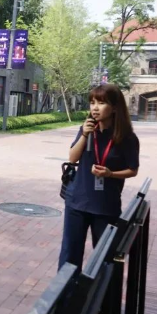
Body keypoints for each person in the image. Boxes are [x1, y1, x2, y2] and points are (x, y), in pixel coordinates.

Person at [58, 84, 140, 270]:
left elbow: (133, 170)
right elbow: (73, 158)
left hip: (105, 205)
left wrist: (110, 174)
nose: (95, 108)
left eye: (101, 103)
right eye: (92, 103)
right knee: (69, 254)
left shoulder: (127, 138)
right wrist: (84, 135)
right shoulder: (87, 130)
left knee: (104, 258)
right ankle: (67, 289)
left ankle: (100, 290)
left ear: (115, 107)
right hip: (77, 202)